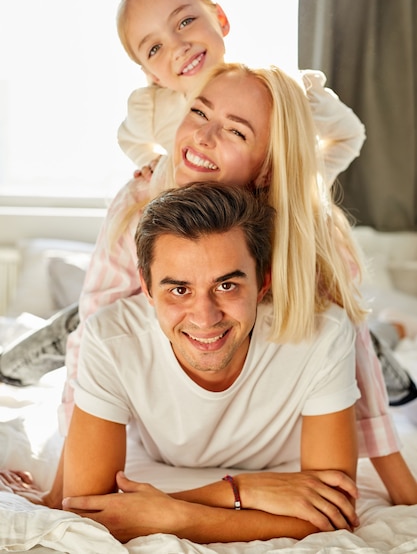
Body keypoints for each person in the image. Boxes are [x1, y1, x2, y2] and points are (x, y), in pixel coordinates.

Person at [2, 63, 416, 511]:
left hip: (303, 326)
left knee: (365, 338)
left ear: (267, 168)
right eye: (199, 112)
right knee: (78, 327)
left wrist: (400, 484)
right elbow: (94, 331)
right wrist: (60, 486)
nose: (203, 137)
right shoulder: (140, 200)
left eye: (237, 133)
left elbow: (346, 339)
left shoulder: (298, 236)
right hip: (133, 306)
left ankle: (393, 330)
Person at [62, 181, 361, 543]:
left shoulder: (321, 333)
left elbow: (334, 514)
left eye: (226, 286)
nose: (205, 318)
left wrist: (178, 515)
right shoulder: (111, 339)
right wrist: (240, 491)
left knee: (373, 342)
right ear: (147, 287)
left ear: (262, 281)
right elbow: (88, 511)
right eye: (179, 290)